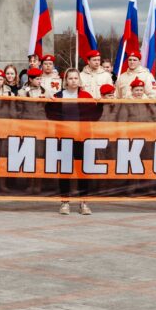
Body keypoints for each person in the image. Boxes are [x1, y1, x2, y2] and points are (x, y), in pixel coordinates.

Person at [53, 69, 93, 215]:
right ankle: (65, 202)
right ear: (66, 80)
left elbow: (95, 114)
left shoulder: (86, 96)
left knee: (82, 171)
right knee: (65, 171)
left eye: (76, 78)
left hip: (82, 138)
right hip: (63, 138)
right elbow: (48, 113)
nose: (73, 81)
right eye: (70, 78)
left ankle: (84, 202)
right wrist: (49, 104)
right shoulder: (58, 96)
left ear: (79, 80)